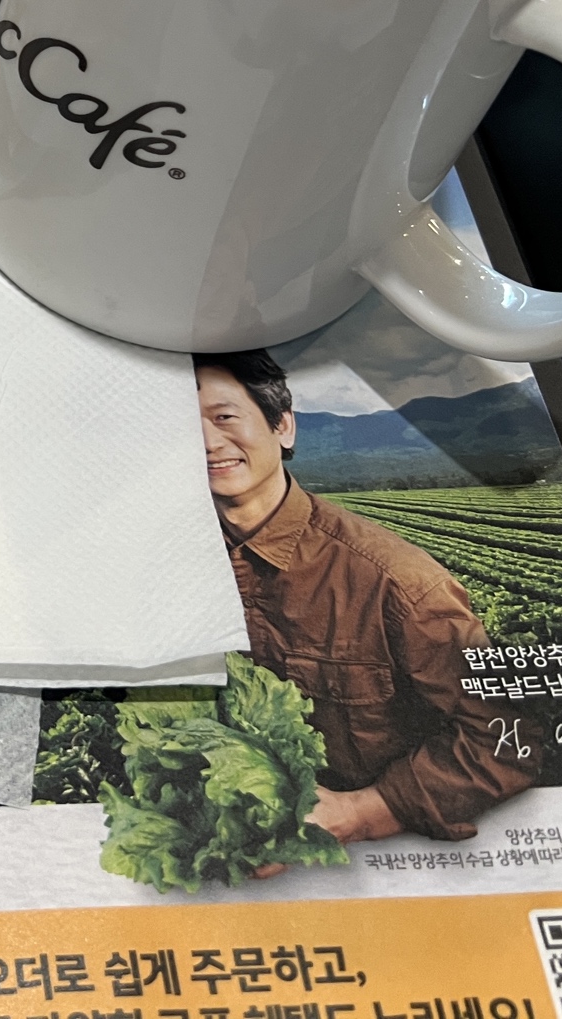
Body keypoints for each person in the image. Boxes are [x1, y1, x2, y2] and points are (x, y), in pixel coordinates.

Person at [196, 349, 537, 853]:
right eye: (183, 426)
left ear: (282, 426)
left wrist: (365, 811)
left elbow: (507, 737)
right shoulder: (173, 568)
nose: (206, 441)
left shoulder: (399, 583)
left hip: (380, 858)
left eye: (224, 417)